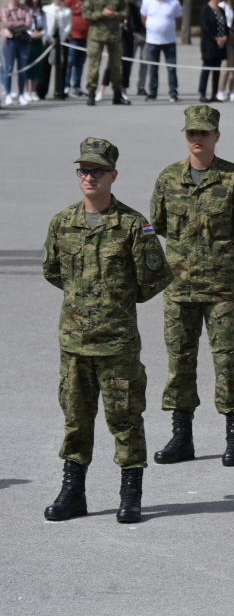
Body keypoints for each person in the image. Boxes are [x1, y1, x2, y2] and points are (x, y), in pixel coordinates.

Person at [42, 138, 173, 524]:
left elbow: (153, 279)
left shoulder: (134, 226)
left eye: (98, 170)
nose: (89, 176)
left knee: (126, 419)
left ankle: (130, 494)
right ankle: (73, 492)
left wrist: (112, 304)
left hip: (117, 345)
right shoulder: (62, 222)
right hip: (75, 343)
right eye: (83, 169)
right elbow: (53, 272)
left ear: (113, 175)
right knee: (75, 420)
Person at [149, 105, 234, 469]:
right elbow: (159, 223)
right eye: (192, 133)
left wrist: (221, 247)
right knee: (179, 363)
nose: (197, 138)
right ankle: (181, 437)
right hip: (180, 289)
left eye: (204, 132)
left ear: (217, 135)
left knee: (227, 361)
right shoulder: (168, 178)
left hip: (221, 290)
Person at [81, 0, 129, 107]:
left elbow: (125, 11)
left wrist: (115, 15)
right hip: (97, 34)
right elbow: (85, 13)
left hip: (114, 34)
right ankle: (91, 94)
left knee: (115, 65)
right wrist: (101, 14)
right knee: (94, 66)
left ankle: (117, 95)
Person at [140, 0, 182, 103]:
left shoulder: (173, 2)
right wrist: (153, 28)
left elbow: (179, 19)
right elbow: (144, 18)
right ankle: (152, 93)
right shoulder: (147, 1)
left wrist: (169, 28)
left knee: (171, 68)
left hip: (169, 40)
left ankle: (173, 93)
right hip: (152, 40)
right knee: (153, 68)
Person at [99, 0, 135, 104]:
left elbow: (136, 24)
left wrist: (134, 32)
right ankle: (101, 90)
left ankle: (123, 91)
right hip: (114, 38)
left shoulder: (132, 6)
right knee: (111, 64)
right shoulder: (112, 7)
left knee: (126, 65)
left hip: (128, 39)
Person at [2, 0, 34, 106]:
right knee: (9, 68)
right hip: (10, 41)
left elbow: (29, 24)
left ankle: (21, 94)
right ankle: (8, 94)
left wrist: (16, 25)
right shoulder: (5, 9)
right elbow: (6, 23)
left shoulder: (25, 8)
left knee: (22, 69)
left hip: (23, 41)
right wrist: (21, 23)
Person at [198, 0, 227, 103]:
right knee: (207, 68)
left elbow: (224, 26)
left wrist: (226, 36)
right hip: (209, 44)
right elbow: (205, 27)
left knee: (217, 69)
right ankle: (203, 93)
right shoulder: (205, 10)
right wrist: (216, 39)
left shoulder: (221, 10)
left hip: (221, 45)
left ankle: (214, 94)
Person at [43, 0, 72, 100]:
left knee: (62, 65)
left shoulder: (67, 10)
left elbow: (69, 25)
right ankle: (42, 91)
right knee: (46, 65)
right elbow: (44, 25)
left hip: (62, 39)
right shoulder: (46, 9)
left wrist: (62, 38)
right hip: (49, 38)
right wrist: (50, 38)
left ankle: (59, 91)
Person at [64, 0, 90, 97]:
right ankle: (66, 86)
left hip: (85, 37)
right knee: (69, 62)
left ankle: (77, 87)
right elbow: (64, 12)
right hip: (73, 37)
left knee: (80, 63)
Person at [23, 0, 46, 104]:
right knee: (28, 65)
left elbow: (45, 27)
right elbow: (24, 26)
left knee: (37, 66)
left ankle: (33, 90)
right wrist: (30, 34)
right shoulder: (26, 12)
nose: (35, 0)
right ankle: (26, 91)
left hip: (38, 41)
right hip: (28, 41)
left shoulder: (42, 12)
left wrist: (41, 34)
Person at [130, 0, 150, 95]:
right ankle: (124, 86)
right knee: (129, 61)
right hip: (133, 34)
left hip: (148, 34)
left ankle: (141, 86)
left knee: (145, 62)